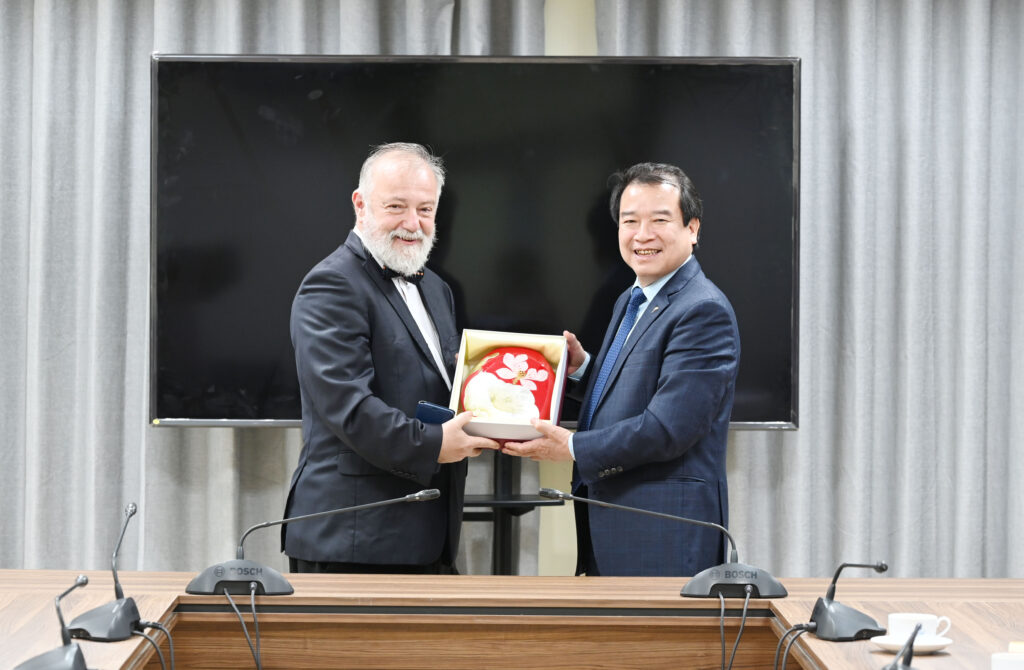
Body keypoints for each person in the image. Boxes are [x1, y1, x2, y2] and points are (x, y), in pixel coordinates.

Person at [502, 162, 740, 577]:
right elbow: (631, 390)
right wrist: (581, 370)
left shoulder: (702, 310)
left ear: (693, 229)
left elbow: (668, 428)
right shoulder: (631, 299)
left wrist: (573, 448)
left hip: (664, 532)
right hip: (611, 522)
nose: (642, 235)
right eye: (630, 221)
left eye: (659, 220)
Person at [283, 142, 498, 574]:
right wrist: (436, 444)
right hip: (352, 541)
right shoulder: (331, 284)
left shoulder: (436, 287)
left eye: (425, 209)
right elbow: (350, 409)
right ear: (360, 204)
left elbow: (443, 387)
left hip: (428, 534)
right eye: (396, 206)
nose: (412, 224)